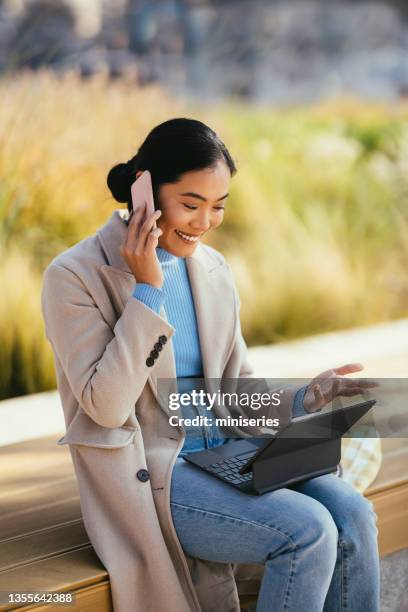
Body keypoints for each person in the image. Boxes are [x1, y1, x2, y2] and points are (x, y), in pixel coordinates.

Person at [41, 118, 380, 612]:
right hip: (158, 472)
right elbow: (106, 407)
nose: (203, 223)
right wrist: (147, 289)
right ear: (145, 190)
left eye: (218, 207)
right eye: (191, 204)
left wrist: (306, 397)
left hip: (232, 455)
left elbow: (236, 390)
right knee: (307, 532)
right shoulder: (74, 276)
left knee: (353, 514)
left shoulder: (213, 270)